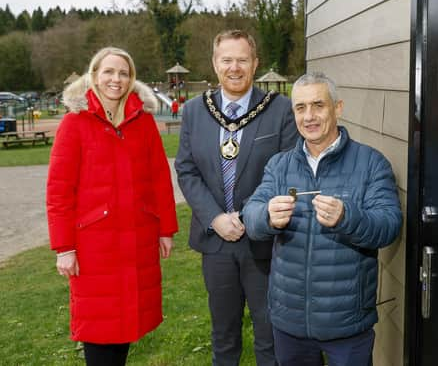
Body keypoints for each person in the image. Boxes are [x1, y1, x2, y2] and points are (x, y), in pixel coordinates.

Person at [244, 72, 403, 366]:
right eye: (301, 108)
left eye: (318, 105)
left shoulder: (371, 163)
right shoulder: (279, 166)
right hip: (289, 322)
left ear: (338, 108)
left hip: (347, 324)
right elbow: (251, 216)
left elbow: (389, 226)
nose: (309, 117)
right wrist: (266, 216)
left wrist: (348, 217)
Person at [46, 47, 178, 366]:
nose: (116, 79)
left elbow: (159, 178)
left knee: (127, 327)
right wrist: (64, 247)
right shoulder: (74, 123)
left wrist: (166, 230)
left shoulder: (143, 122)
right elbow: (59, 191)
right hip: (94, 247)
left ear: (131, 80)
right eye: (109, 71)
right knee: (99, 329)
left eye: (123, 73)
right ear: (94, 76)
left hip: (137, 240)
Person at [175, 29, 298, 366]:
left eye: (242, 59)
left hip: (265, 243)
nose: (234, 67)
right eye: (226, 59)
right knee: (224, 336)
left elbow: (287, 170)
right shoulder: (194, 111)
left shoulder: (280, 110)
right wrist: (216, 218)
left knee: (270, 336)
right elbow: (187, 171)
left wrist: (248, 217)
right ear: (215, 64)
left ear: (255, 63)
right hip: (216, 243)